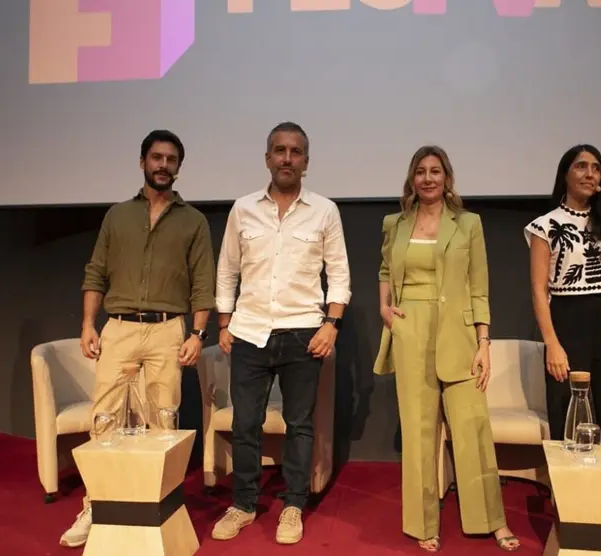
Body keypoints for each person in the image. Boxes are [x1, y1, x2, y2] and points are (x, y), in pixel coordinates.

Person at [60, 129, 217, 548]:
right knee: (106, 419)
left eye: (171, 159)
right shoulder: (116, 216)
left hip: (168, 329)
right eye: (156, 158)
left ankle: (157, 508)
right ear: (143, 162)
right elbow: (96, 272)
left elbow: (203, 283)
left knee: (162, 423)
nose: (163, 165)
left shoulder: (193, 221)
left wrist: (198, 333)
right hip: (120, 327)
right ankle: (96, 506)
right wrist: (88, 325)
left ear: (179, 167)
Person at [373, 145, 519, 553]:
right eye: (420, 171)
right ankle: (422, 524)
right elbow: (385, 269)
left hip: (459, 331)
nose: (428, 178)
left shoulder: (468, 224)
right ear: (412, 178)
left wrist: (484, 342)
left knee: (472, 430)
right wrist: (384, 307)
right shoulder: (394, 223)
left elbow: (479, 285)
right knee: (419, 433)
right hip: (409, 330)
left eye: (436, 171)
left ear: (447, 178)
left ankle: (493, 521)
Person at [211, 122, 351, 545]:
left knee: (299, 424)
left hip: (303, 332)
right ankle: (244, 504)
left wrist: (332, 324)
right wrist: (223, 322)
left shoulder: (325, 210)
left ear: (306, 162)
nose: (286, 158)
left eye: (295, 152)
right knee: (245, 423)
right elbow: (227, 269)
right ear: (267, 157)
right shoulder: (243, 209)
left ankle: (293, 505)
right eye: (279, 150)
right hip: (249, 331)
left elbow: (339, 273)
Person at [524, 144, 601, 445]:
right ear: (565, 174)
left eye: (596, 167)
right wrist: (552, 344)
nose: (590, 173)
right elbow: (538, 289)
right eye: (581, 166)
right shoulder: (544, 226)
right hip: (567, 324)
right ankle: (569, 490)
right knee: (569, 415)